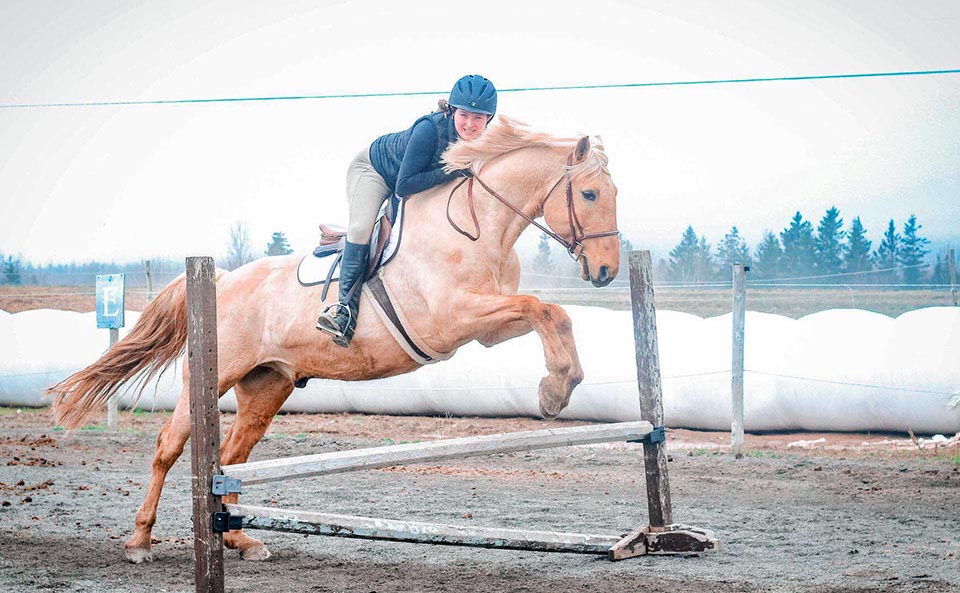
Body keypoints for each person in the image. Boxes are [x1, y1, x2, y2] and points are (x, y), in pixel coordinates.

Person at [316, 74, 498, 347]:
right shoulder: (430, 130)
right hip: (376, 172)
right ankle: (343, 311)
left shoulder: (483, 142)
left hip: (416, 178)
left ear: (488, 120)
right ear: (452, 110)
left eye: (478, 118)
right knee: (362, 228)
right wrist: (453, 170)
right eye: (464, 115)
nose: (470, 125)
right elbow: (404, 185)